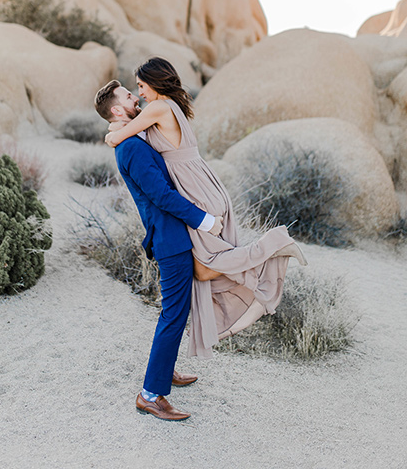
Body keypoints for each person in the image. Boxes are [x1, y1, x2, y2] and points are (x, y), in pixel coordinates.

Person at [104, 57, 307, 359]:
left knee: (208, 262)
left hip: (195, 191)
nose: (140, 92)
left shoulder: (158, 108)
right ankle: (250, 301)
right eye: (136, 89)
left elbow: (118, 137)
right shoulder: (169, 106)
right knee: (203, 268)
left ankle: (274, 246)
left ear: (155, 82)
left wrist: (111, 131)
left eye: (141, 86)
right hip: (201, 184)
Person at [94, 80, 224, 422]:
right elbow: (162, 197)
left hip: (172, 236)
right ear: (118, 110)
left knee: (175, 312)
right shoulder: (132, 149)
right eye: (127, 95)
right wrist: (205, 221)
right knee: (173, 314)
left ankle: (163, 373)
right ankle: (151, 394)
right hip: (171, 239)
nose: (136, 97)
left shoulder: (131, 139)